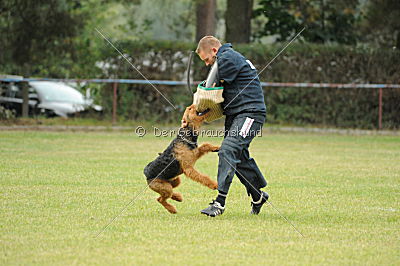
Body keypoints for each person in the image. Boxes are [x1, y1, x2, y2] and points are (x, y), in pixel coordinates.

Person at [195, 36, 269, 217]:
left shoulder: (226, 58)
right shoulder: (227, 58)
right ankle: (258, 196)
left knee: (227, 150)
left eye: (206, 60)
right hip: (236, 113)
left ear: (214, 51)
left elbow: (208, 88)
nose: (207, 64)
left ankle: (219, 203)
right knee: (238, 156)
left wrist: (197, 110)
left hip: (250, 113)